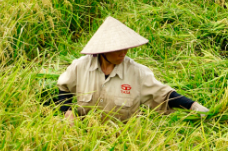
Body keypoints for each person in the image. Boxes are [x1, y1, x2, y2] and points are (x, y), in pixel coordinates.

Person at [57, 17, 210, 123]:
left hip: (122, 142)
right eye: (117, 49)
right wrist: (67, 112)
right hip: (85, 137)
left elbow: (164, 95)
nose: (123, 52)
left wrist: (193, 106)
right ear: (102, 50)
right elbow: (64, 88)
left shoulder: (137, 73)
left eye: (126, 47)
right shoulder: (80, 67)